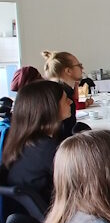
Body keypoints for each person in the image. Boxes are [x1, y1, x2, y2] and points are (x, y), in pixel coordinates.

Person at [1, 80, 72, 208]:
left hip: (29, 216)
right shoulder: (48, 149)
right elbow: (76, 184)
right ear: (50, 108)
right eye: (66, 99)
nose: (71, 102)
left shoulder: (21, 141)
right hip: (54, 214)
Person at [43, 50, 93, 139]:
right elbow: (65, 133)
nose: (82, 68)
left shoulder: (55, 90)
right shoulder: (61, 95)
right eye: (79, 65)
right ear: (68, 71)